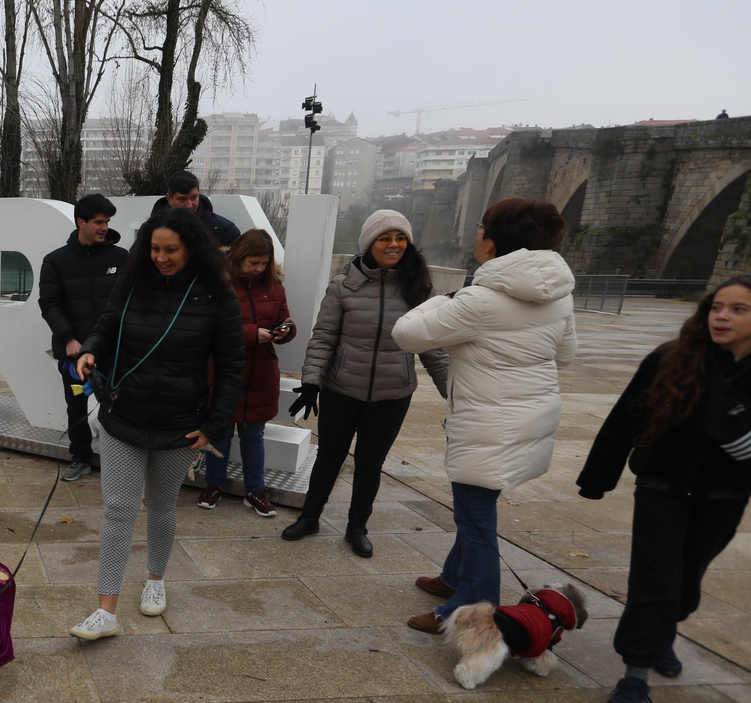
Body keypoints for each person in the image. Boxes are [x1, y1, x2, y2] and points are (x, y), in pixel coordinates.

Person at [392, 198, 578, 634]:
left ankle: (469, 611)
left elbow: (406, 334)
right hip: (528, 420)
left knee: (476, 520)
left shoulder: (478, 300)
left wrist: (441, 301)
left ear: (494, 243)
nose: (477, 233)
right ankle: (454, 577)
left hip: (487, 425)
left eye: (481, 227)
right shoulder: (558, 297)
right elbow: (565, 355)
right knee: (475, 510)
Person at [575, 276, 751, 703]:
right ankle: (635, 674)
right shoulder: (671, 358)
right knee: (655, 579)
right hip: (662, 488)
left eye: (738, 309)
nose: (723, 316)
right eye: (717, 307)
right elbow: (623, 420)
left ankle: (664, 632)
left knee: (687, 581)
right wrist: (598, 478)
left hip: (724, 496)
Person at [67, 207, 245, 640]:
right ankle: (106, 610)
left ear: (192, 249)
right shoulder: (133, 284)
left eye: (171, 250)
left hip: (179, 424)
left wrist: (215, 425)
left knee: (163, 508)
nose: (161, 258)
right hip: (122, 415)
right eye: (154, 249)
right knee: (119, 510)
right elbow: (107, 326)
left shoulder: (216, 295)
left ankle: (155, 580)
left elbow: (232, 367)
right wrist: (90, 348)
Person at [284, 210, 449, 557]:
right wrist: (312, 380)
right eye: (384, 238)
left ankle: (357, 527)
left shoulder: (418, 286)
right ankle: (310, 516)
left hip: (393, 393)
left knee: (370, 463)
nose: (393, 244)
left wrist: (455, 393)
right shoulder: (343, 286)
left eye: (400, 237)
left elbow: (432, 345)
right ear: (368, 244)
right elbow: (324, 336)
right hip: (341, 389)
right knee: (329, 456)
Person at [197, 229, 295, 515]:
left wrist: (286, 330)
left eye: (264, 263)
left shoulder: (274, 286)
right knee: (220, 435)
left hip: (261, 375)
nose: (259, 268)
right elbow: (210, 328)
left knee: (254, 437)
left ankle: (255, 490)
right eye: (254, 262)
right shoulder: (218, 283)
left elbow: (284, 318)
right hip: (224, 373)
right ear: (239, 257)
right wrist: (252, 334)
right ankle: (214, 484)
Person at [38, 193, 129, 482]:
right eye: (99, 222)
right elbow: (49, 304)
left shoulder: (121, 257)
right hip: (74, 354)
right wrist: (68, 340)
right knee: (76, 405)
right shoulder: (55, 261)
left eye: (107, 222)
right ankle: (80, 457)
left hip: (114, 352)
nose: (104, 227)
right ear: (81, 223)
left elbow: (129, 303)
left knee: (116, 407)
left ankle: (120, 463)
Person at [150, 169, 241, 248]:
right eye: (182, 199)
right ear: (169, 199)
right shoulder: (149, 230)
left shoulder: (226, 232)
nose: (189, 205)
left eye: (194, 198)